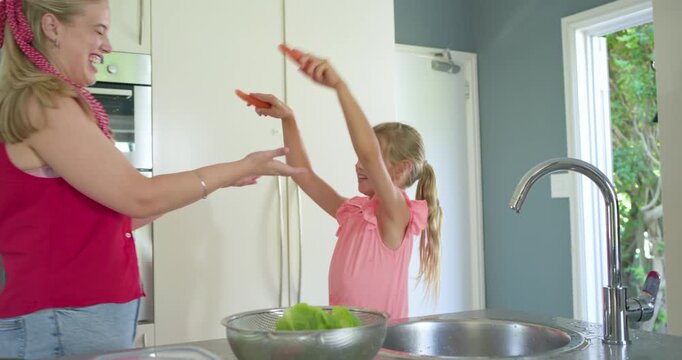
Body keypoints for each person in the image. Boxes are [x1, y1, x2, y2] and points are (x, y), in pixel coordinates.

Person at [0, 0, 304, 358]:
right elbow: (138, 197)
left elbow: (115, 218)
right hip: (62, 320)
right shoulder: (44, 102)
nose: (108, 45)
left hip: (69, 318)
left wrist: (216, 181)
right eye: (99, 31)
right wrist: (238, 168)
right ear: (52, 27)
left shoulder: (46, 101)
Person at [249, 46, 443, 320]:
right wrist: (289, 119)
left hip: (382, 349)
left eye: (371, 158)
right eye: (360, 158)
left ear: (401, 170)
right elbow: (303, 174)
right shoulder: (354, 213)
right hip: (348, 343)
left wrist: (340, 86)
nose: (358, 164)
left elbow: (368, 154)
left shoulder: (396, 213)